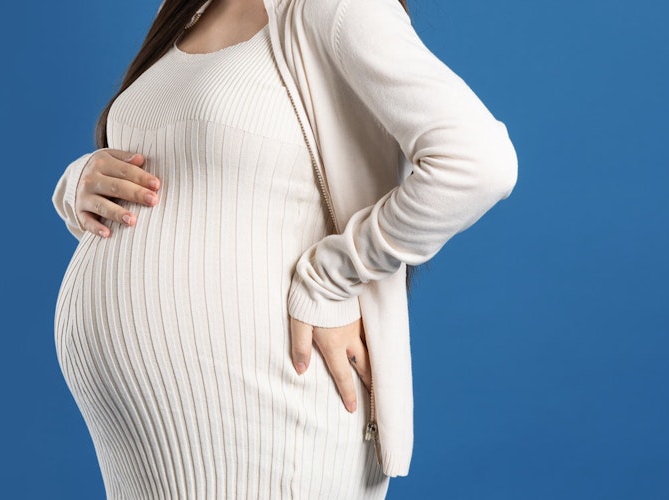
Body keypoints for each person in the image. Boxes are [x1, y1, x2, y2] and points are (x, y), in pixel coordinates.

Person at [50, 0, 518, 497]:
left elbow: (478, 162)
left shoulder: (338, 7)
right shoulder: (191, 7)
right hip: (151, 436)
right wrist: (82, 183)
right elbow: (192, 170)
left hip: (270, 406)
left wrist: (332, 277)